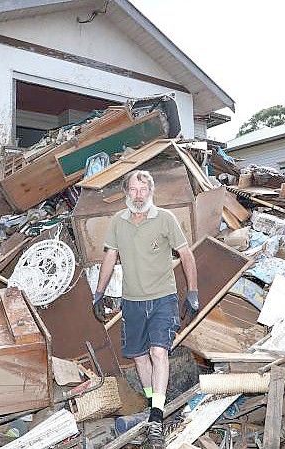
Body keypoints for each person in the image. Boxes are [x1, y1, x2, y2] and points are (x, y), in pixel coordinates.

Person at [92, 170, 198, 448]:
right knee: (139, 356)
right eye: (133, 190)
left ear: (151, 191)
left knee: (158, 351)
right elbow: (110, 257)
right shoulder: (118, 221)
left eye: (143, 190)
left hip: (163, 298)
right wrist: (99, 293)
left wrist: (193, 291)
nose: (138, 196)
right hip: (132, 301)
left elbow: (186, 254)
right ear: (126, 193)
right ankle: (155, 403)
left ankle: (157, 416)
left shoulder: (165, 219)